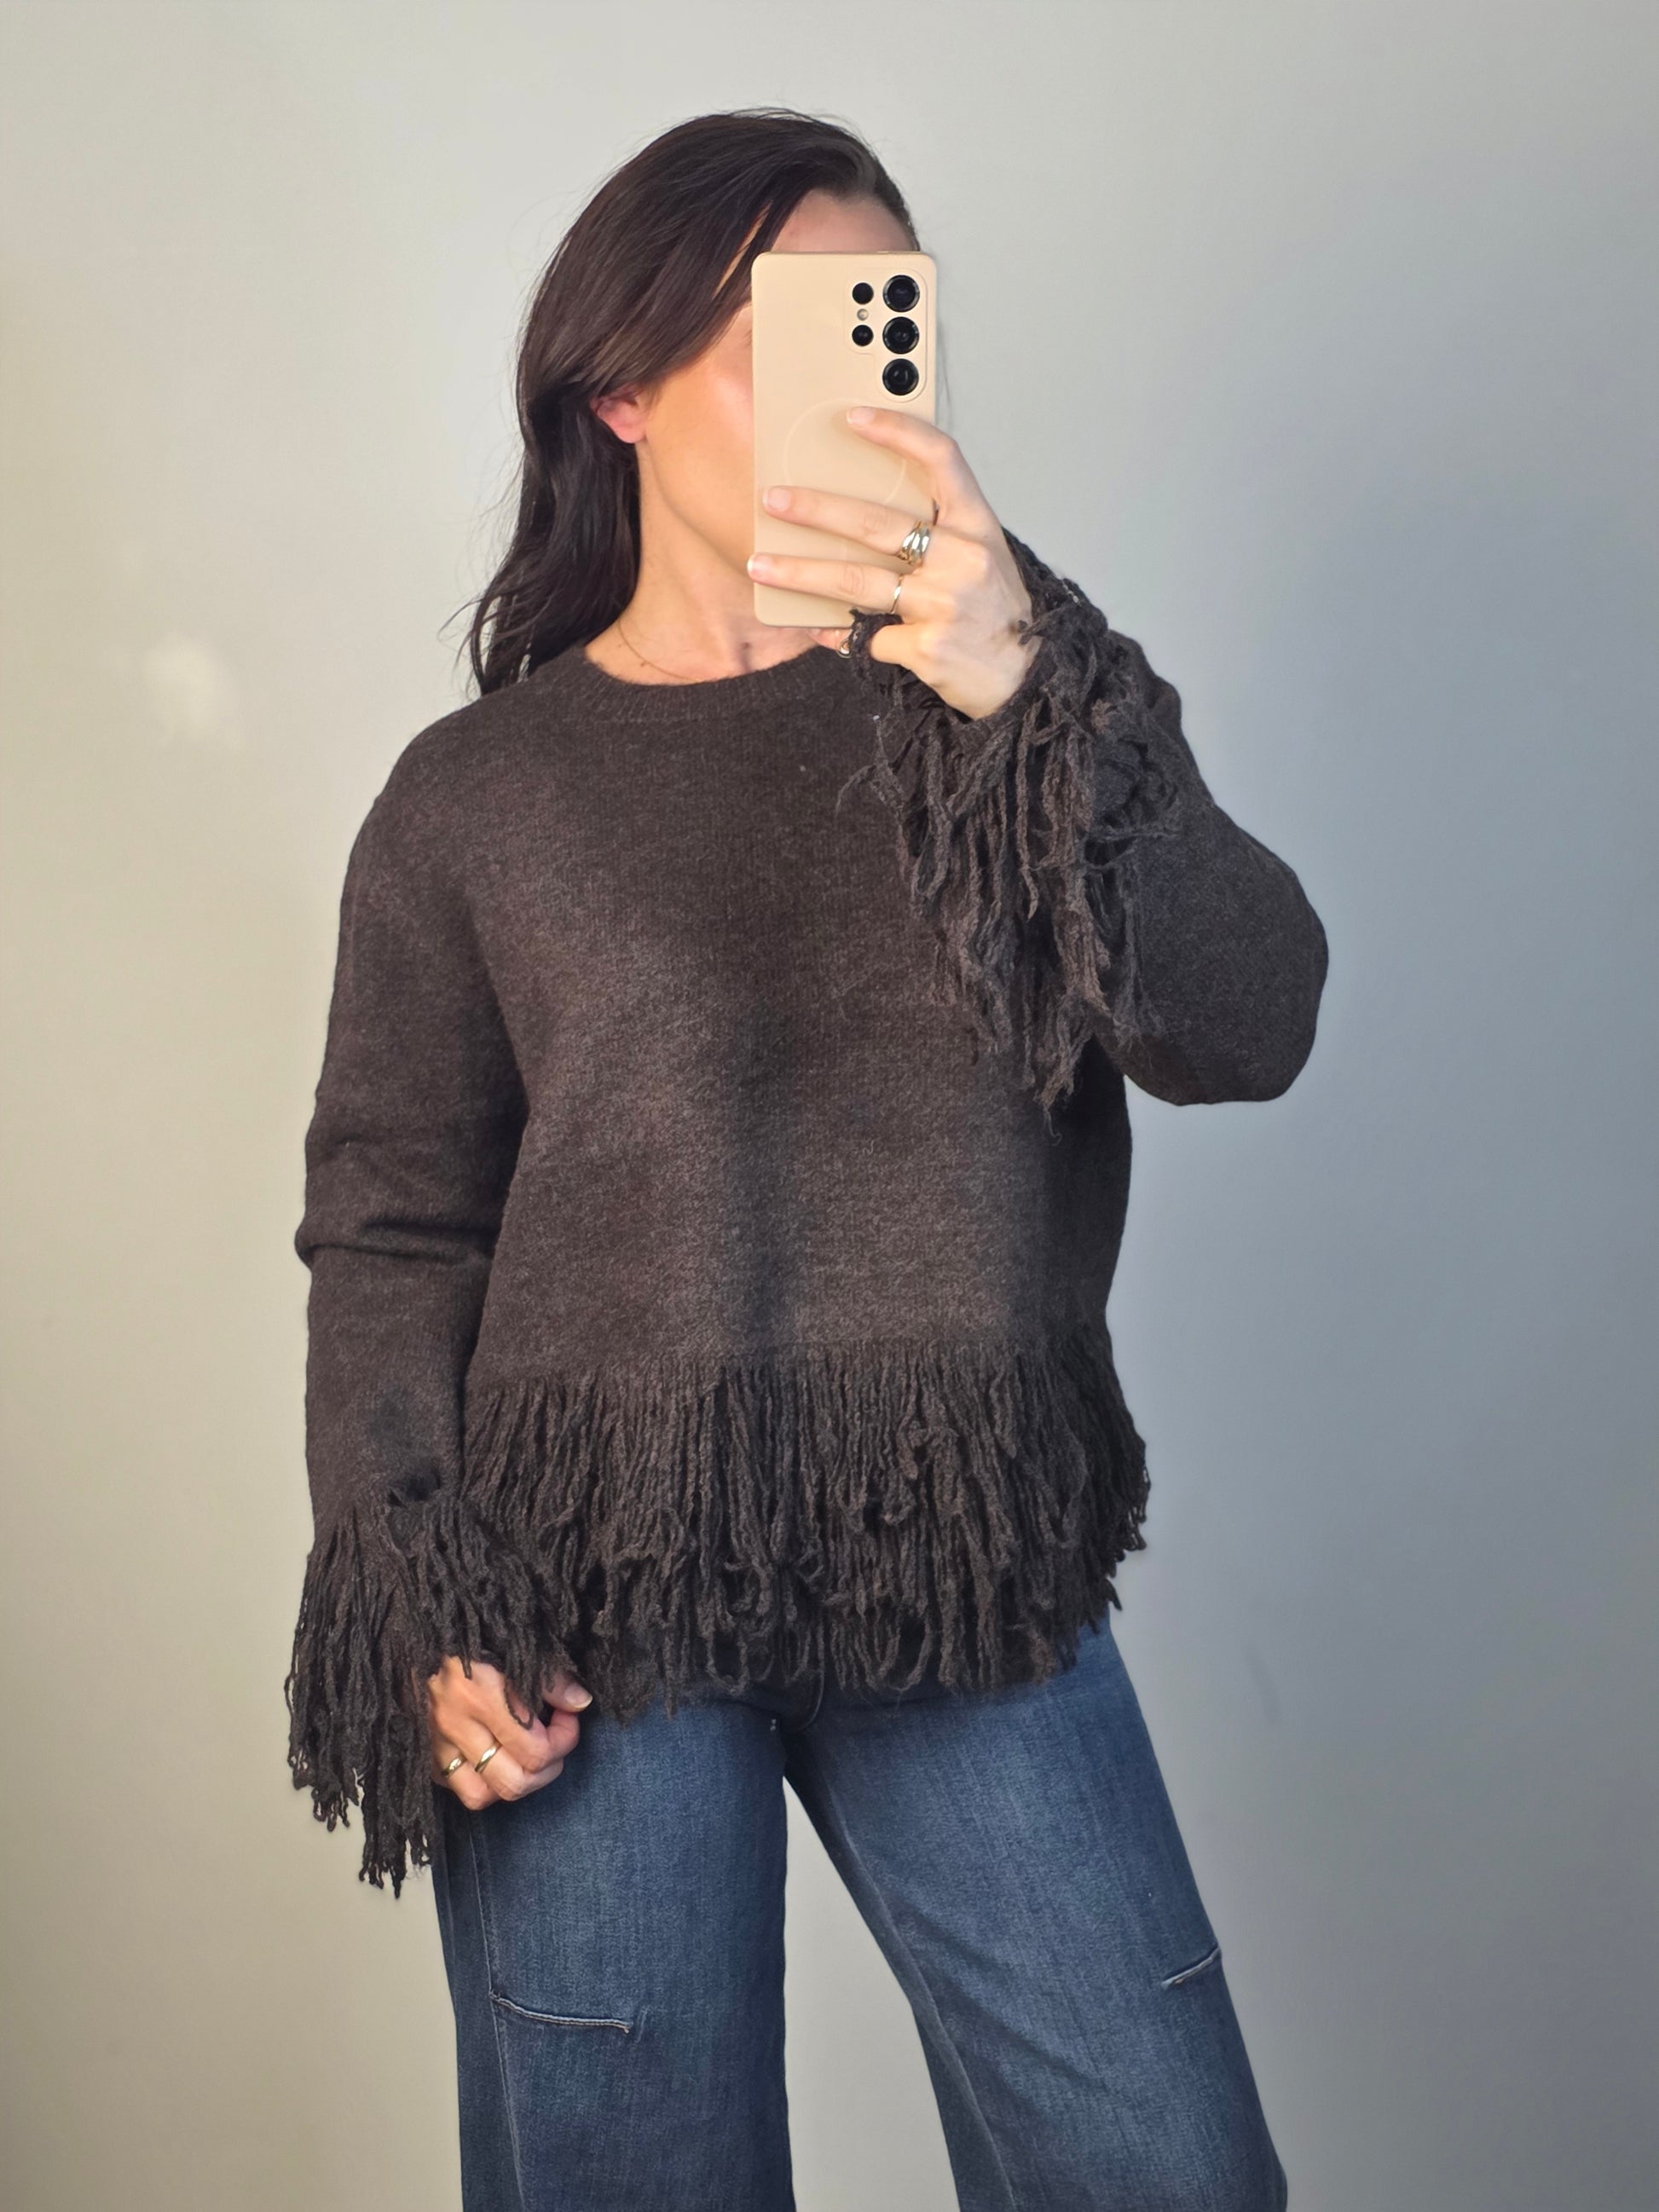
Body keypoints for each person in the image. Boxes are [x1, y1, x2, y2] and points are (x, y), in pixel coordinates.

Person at [284, 106, 1327, 2211]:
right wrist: (418, 1582)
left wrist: (1026, 694)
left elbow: (1248, 1023)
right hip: (588, 1587)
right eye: (788, 334)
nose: (860, 387)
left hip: (961, 1544)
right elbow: (393, 1220)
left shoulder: (1019, 682)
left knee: (1167, 2163)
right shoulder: (478, 794)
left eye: (883, 328)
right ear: (623, 386)